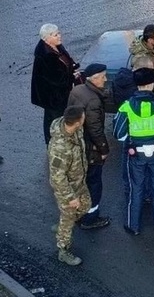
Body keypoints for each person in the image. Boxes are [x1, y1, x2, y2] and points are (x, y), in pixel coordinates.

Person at [113, 67, 154, 235]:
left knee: (136, 188)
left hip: (135, 153)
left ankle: (133, 226)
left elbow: (118, 134)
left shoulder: (126, 107)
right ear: (151, 84)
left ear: (137, 85)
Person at [66, 63, 111, 230]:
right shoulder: (93, 100)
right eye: (103, 76)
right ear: (94, 78)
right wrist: (104, 149)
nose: (106, 80)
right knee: (94, 183)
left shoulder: (78, 90)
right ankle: (90, 217)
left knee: (80, 181)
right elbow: (95, 129)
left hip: (78, 144)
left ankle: (79, 213)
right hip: (91, 150)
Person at [48, 105, 90, 266]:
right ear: (78, 122)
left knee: (85, 206)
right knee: (68, 217)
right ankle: (63, 250)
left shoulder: (74, 129)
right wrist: (70, 198)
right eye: (83, 117)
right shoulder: (60, 148)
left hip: (79, 182)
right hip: (67, 189)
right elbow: (57, 177)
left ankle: (63, 224)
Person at [112, 55, 154, 200]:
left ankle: (130, 192)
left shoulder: (120, 80)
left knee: (128, 167)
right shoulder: (138, 88)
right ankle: (146, 194)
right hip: (140, 133)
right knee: (145, 167)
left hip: (127, 131)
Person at [31, 23, 81, 144]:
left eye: (59, 33)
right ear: (47, 39)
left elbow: (67, 60)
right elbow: (56, 79)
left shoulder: (56, 47)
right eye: (55, 34)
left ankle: (56, 142)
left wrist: (73, 66)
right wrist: (72, 76)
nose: (60, 36)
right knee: (54, 119)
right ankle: (55, 144)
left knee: (53, 118)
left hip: (57, 94)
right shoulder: (47, 56)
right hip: (52, 96)